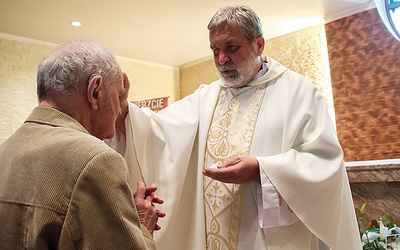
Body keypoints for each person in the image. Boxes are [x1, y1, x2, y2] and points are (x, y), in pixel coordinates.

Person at [109, 5, 362, 250]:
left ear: (259, 44)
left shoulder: (299, 94)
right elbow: (157, 132)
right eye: (215, 49)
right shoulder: (205, 98)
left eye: (231, 47)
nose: (221, 59)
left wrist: (261, 169)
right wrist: (121, 106)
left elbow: (324, 163)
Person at [0, 40, 165, 249]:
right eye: (118, 96)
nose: (118, 110)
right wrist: (141, 226)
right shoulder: (96, 160)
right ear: (95, 92)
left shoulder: (5, 150)